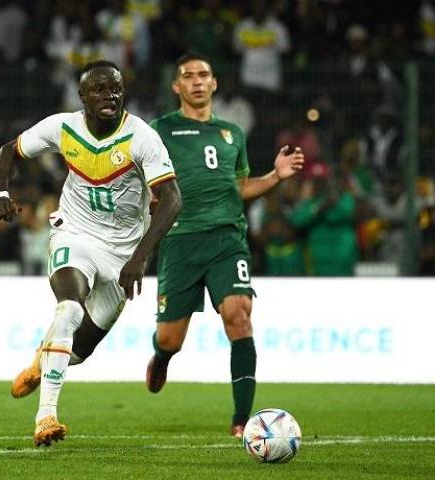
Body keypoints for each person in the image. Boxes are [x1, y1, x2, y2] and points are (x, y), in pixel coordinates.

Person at [0, 60, 181, 446]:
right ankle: (46, 418)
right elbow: (8, 151)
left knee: (79, 351)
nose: (109, 95)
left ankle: (41, 361)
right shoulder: (63, 128)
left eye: (115, 89)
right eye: (99, 89)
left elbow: (173, 199)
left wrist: (139, 257)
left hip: (123, 253)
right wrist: (0, 191)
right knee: (70, 309)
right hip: (75, 235)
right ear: (82, 97)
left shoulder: (140, 137)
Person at [145, 51, 305, 438]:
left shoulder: (232, 133)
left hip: (227, 240)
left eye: (204, 74)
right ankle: (162, 356)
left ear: (214, 83)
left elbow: (239, 187)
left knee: (239, 315)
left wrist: (275, 176)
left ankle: (243, 421)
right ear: (177, 85)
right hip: (181, 241)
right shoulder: (159, 130)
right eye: (189, 76)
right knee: (171, 337)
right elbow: (144, 182)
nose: (198, 81)